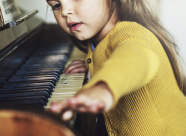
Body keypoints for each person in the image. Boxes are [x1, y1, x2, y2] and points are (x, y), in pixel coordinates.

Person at [46, 0, 186, 135]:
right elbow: (113, 56)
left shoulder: (133, 33)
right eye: (56, 5)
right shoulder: (97, 39)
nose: (65, 11)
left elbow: (135, 57)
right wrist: (95, 65)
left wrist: (103, 88)